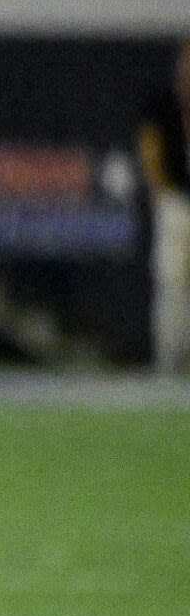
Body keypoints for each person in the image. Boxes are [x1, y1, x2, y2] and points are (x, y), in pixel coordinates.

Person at [140, 39, 190, 373]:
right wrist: (161, 193)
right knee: (172, 279)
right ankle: (170, 362)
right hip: (176, 201)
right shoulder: (164, 104)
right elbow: (150, 147)